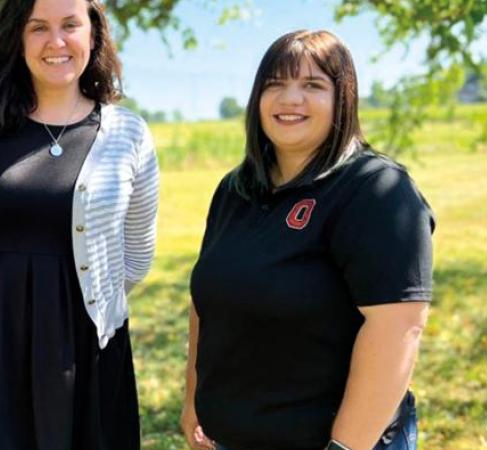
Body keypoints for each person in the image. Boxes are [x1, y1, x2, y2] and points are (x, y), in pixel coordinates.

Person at [0, 0, 159, 448]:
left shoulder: (128, 134)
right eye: (38, 28)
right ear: (16, 37)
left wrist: (74, 305)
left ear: (94, 34)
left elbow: (136, 254)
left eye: (70, 25)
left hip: (86, 346)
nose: (56, 41)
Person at [182, 30, 433, 450]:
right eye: (275, 84)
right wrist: (193, 401)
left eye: (312, 85)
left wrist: (344, 447)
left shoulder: (376, 190)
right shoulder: (235, 190)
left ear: (343, 99)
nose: (289, 99)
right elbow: (204, 302)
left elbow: (398, 328)